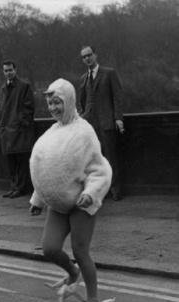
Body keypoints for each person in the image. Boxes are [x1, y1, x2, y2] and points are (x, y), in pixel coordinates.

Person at [29, 78, 115, 302]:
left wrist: (90, 193)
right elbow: (46, 169)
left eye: (57, 102)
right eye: (50, 103)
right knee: (49, 248)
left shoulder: (84, 131)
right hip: (57, 204)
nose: (53, 108)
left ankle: (93, 299)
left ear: (68, 101)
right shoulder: (50, 133)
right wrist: (38, 198)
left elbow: (100, 169)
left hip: (81, 202)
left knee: (80, 250)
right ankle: (72, 273)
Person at [79, 45, 125, 201]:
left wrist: (118, 118)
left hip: (106, 122)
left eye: (89, 55)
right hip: (91, 125)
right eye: (84, 57)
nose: (87, 58)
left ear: (95, 55)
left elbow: (118, 97)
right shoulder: (83, 78)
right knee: (95, 160)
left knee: (111, 157)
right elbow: (84, 102)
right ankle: (101, 191)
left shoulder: (109, 73)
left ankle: (115, 190)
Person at [0, 60, 35, 198]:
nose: (8, 73)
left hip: (18, 131)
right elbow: (1, 109)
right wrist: (1, 124)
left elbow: (29, 108)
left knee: (21, 160)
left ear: (15, 70)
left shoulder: (24, 86)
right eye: (6, 71)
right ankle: (14, 187)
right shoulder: (3, 88)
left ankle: (21, 188)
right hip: (7, 130)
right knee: (11, 161)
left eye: (10, 70)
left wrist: (21, 123)